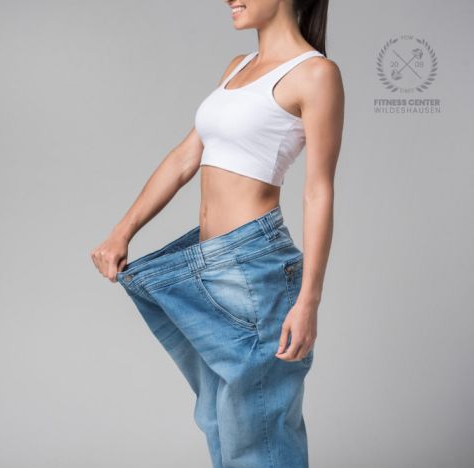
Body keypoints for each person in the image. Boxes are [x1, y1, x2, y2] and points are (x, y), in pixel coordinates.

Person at [90, 0, 343, 466]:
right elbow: (185, 158)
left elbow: (318, 191)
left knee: (258, 432)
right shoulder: (238, 67)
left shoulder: (315, 74)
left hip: (255, 269)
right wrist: (122, 231)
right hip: (207, 265)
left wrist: (309, 301)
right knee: (220, 421)